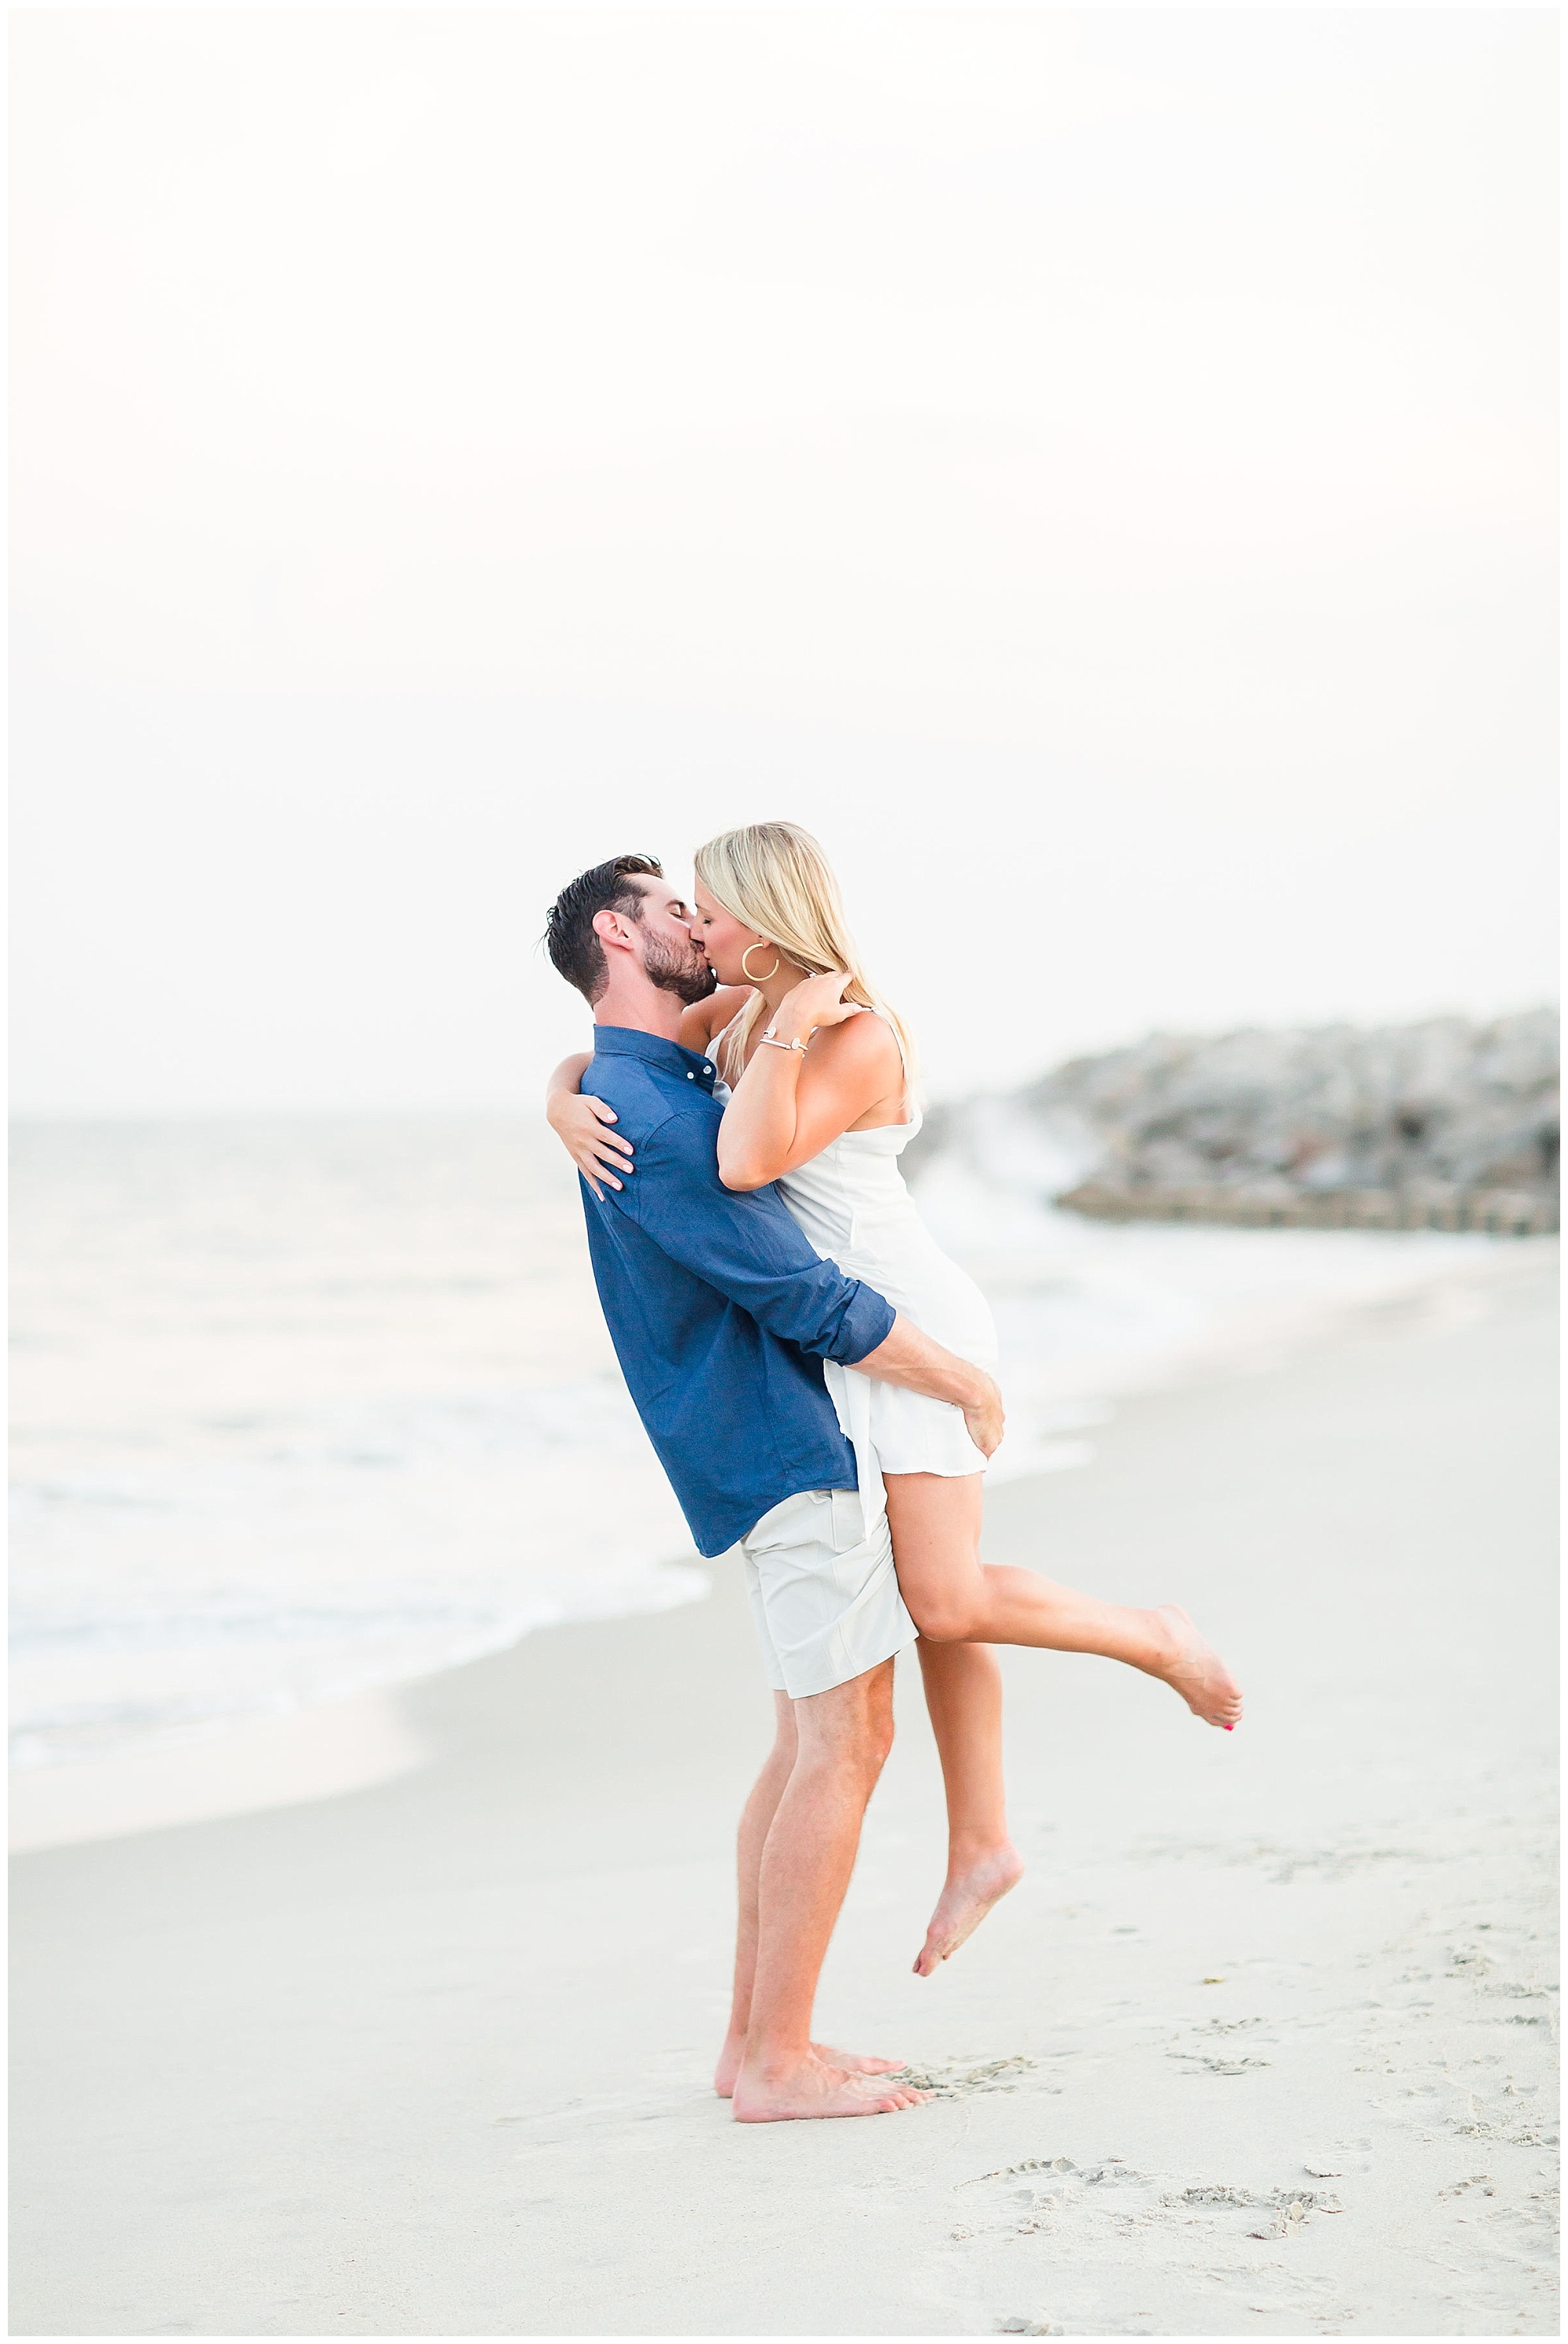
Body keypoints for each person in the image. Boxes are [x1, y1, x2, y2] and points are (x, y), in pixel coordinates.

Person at [547, 824, 1244, 1977]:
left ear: (764, 918)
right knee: (936, 1596)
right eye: (685, 911)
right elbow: (639, 1052)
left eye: (711, 910)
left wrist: (773, 1024)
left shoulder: (850, 1030)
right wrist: (562, 1092)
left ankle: (1151, 1639)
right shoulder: (746, 1010)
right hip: (853, 1342)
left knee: (948, 1591)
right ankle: (983, 1841)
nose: (700, 930)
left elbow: (739, 1163)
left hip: (907, 1324)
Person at [542, 852, 1008, 2124]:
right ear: (615, 932)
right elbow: (804, 1294)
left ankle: (753, 2043)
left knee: (805, 1742)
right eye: (672, 907)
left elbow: (647, 1058)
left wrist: (557, 1083)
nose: (697, 924)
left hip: (749, 1442)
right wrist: (957, 1376)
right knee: (846, 1742)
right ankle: (778, 2063)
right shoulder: (665, 1112)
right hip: (789, 1443)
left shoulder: (639, 1080)